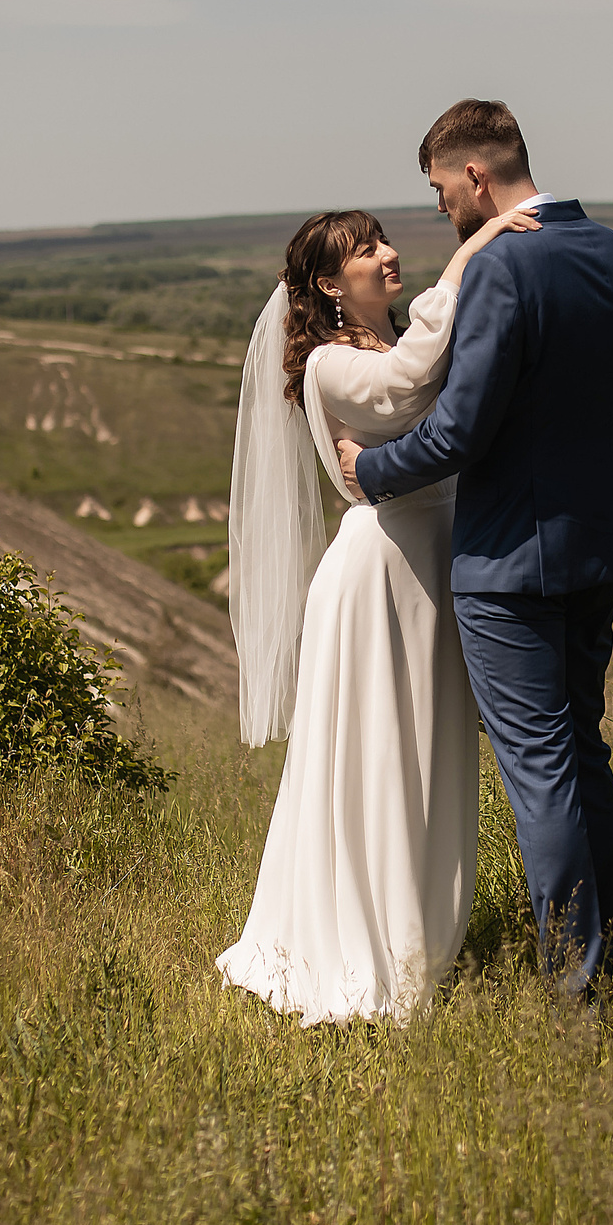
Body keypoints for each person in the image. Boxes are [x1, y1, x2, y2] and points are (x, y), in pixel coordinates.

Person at [335, 99, 613, 996]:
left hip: (508, 565)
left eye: (442, 191)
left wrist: (373, 468)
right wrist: (586, 500)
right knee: (581, 749)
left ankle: (576, 988)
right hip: (599, 551)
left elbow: (458, 432)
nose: (443, 209)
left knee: (540, 768)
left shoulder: (505, 269)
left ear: (476, 175)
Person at [216, 199, 541, 1025]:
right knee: (378, 756)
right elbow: (405, 389)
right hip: (378, 577)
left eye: (386, 241)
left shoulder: (392, 343)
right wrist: (473, 253)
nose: (389, 255)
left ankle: (426, 939)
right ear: (328, 283)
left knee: (431, 753)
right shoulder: (329, 364)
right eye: (366, 251)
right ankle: (373, 949)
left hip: (435, 565)